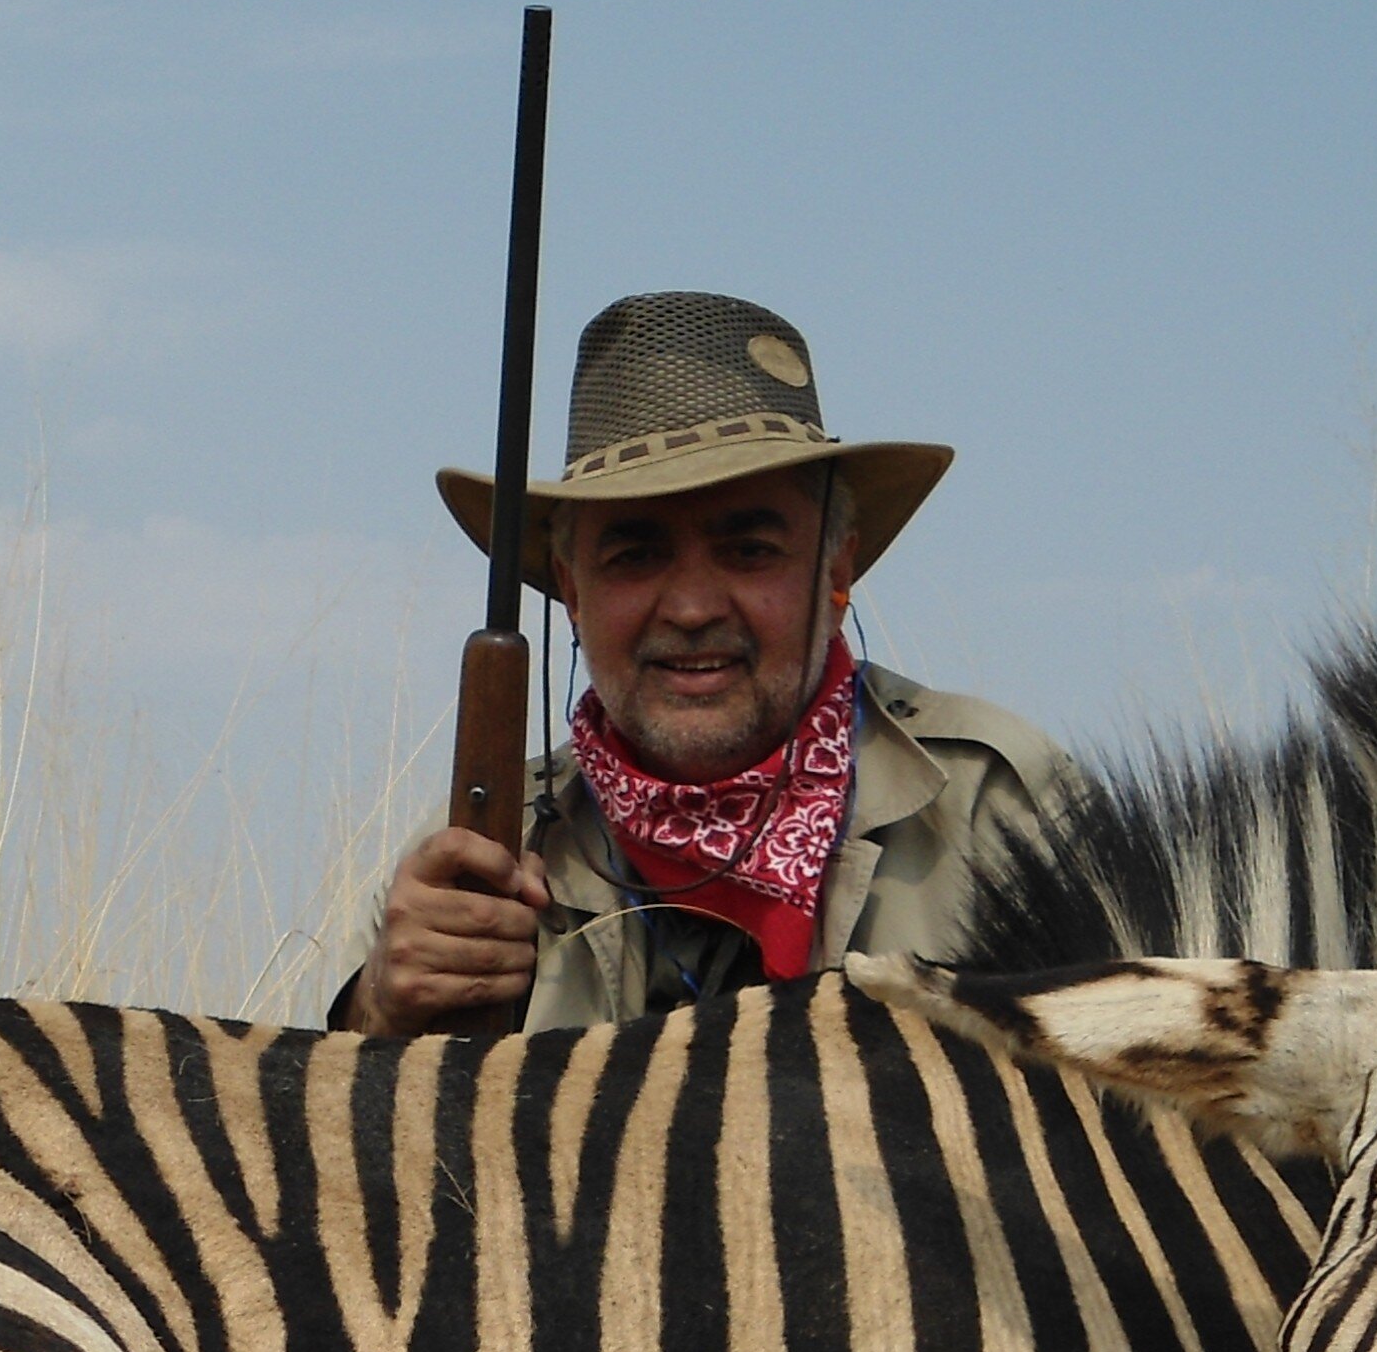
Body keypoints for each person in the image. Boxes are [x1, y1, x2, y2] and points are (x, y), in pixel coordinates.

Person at [343, 291, 1064, 1035]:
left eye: (749, 551)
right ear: (571, 590)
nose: (690, 609)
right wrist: (380, 1005)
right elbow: (356, 1122)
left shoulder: (998, 804)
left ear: (835, 569)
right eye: (636, 555)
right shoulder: (483, 845)